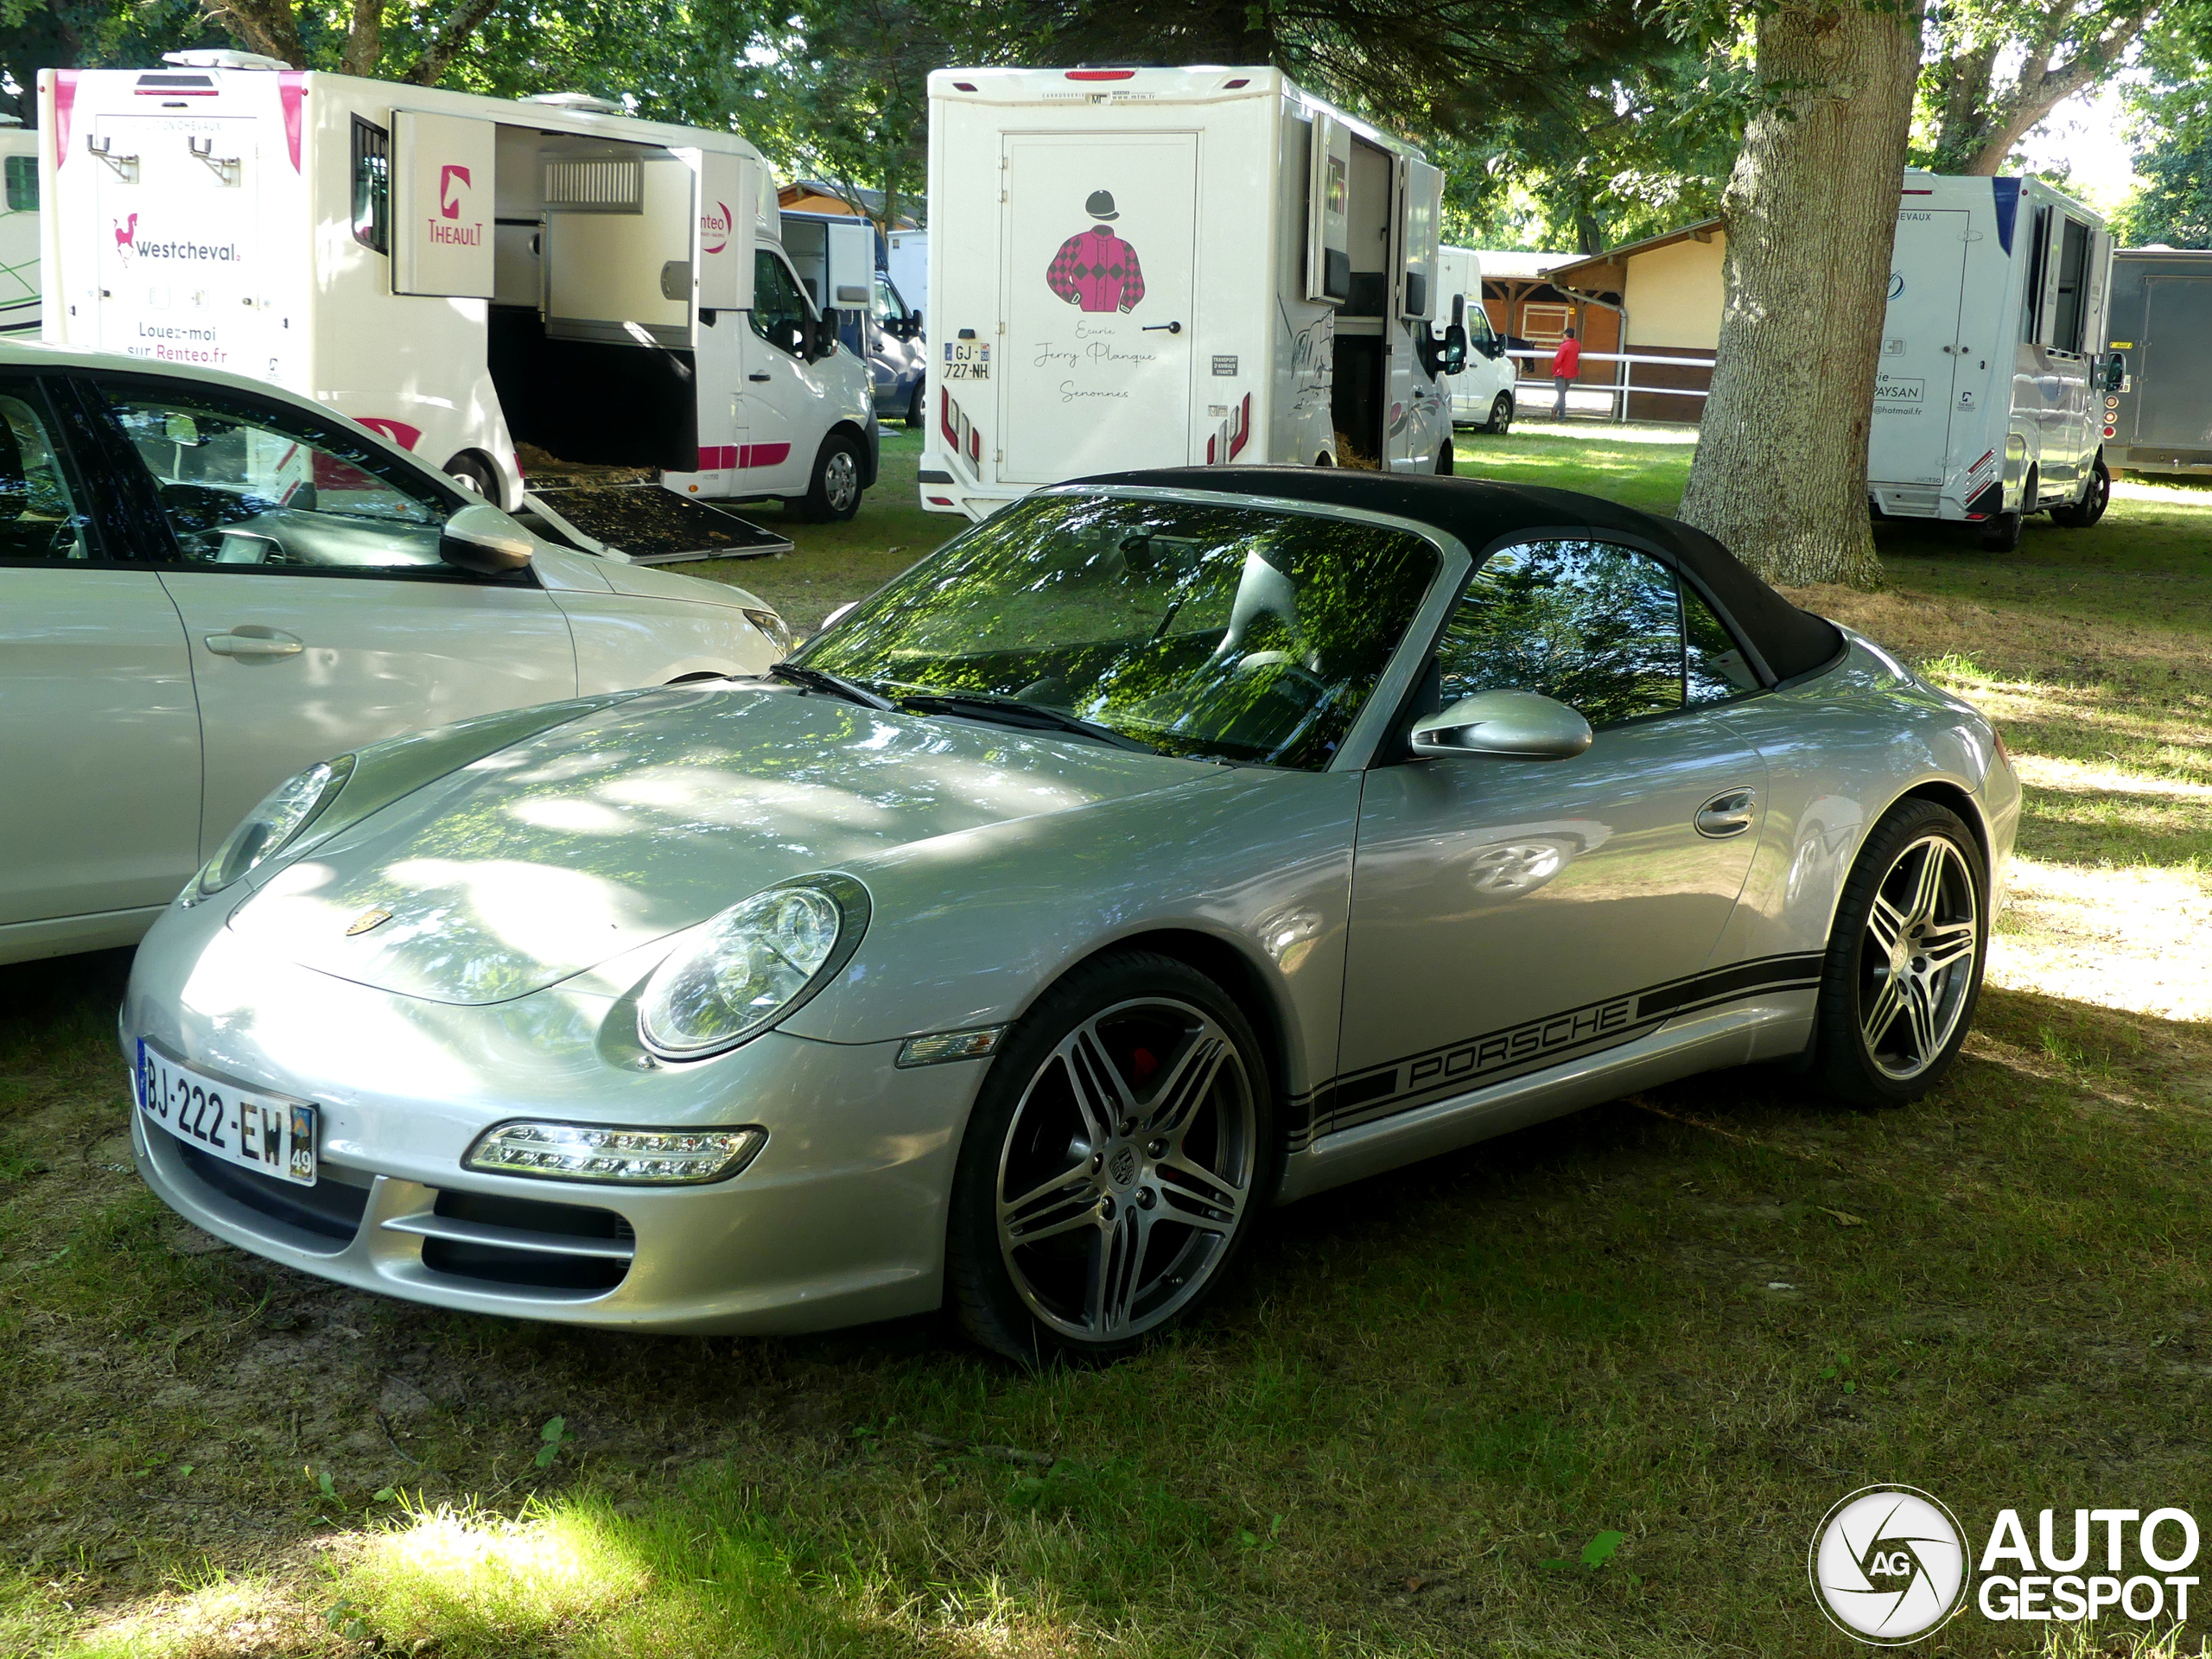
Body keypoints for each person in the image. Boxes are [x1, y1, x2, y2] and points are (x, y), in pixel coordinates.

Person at [1550, 327, 1581, 419]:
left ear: (1566, 335)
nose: (1563, 337)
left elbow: (1558, 360)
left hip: (1561, 372)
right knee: (1562, 394)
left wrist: (1554, 370)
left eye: (1563, 335)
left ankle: (1562, 415)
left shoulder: (1564, 346)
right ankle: (1555, 409)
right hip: (1571, 372)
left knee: (1561, 395)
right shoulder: (1577, 345)